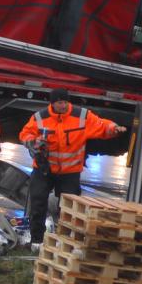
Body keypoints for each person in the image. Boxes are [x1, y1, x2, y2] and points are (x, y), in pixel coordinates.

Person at [19, 87, 127, 247]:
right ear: (52, 104)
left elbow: (101, 124)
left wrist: (113, 129)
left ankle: (65, 242)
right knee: (37, 203)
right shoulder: (39, 118)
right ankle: (37, 241)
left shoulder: (81, 116)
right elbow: (25, 134)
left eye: (65, 102)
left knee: (69, 209)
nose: (63, 106)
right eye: (59, 103)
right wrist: (33, 142)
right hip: (44, 169)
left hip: (70, 173)